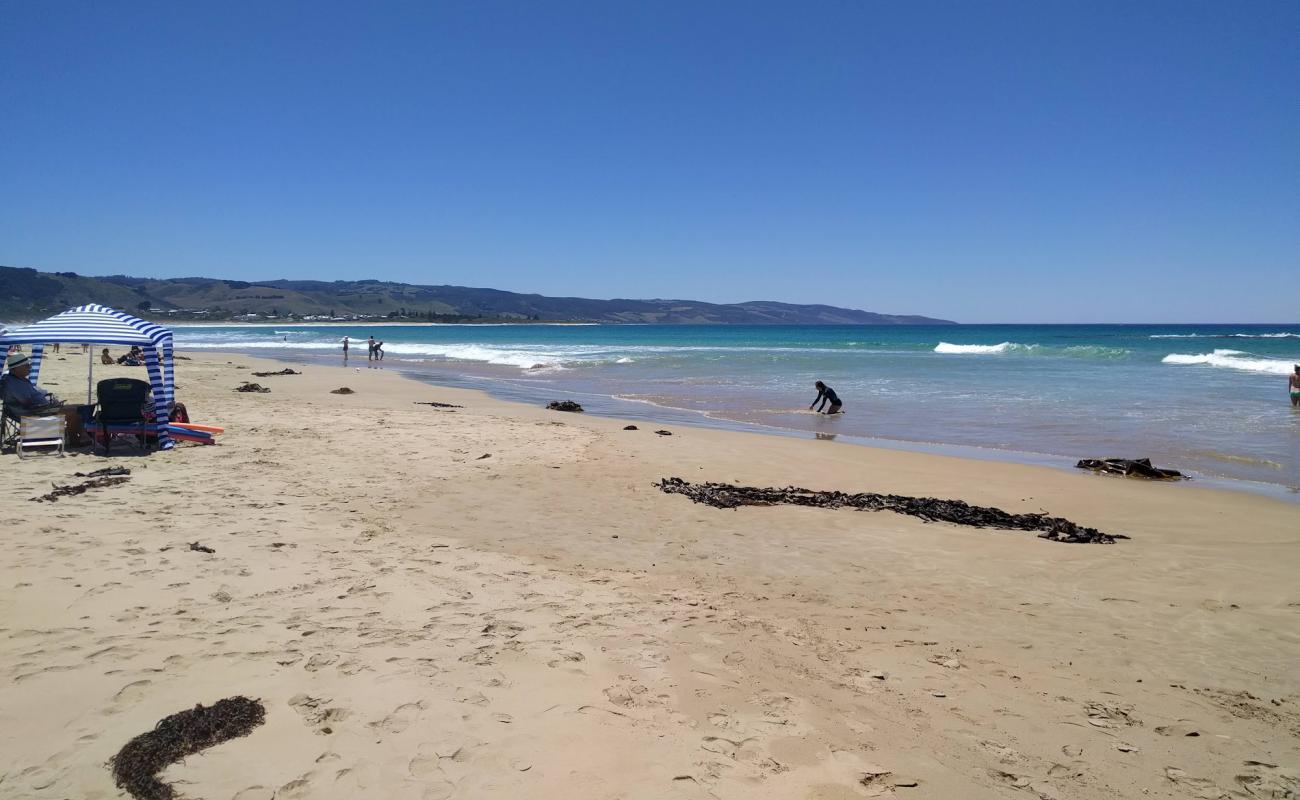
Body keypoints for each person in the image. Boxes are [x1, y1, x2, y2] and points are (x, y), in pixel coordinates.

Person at [0, 352, 88, 444]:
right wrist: (49, 406)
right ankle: (76, 441)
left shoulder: (17, 379)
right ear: (15, 369)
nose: (29, 367)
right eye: (26, 366)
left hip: (39, 410)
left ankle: (83, 436)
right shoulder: (15, 384)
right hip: (35, 414)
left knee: (81, 407)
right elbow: (29, 404)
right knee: (75, 411)